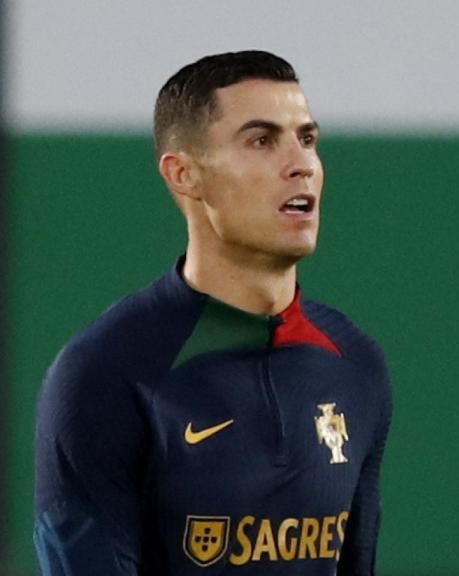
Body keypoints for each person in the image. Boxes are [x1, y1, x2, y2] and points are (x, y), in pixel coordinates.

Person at [33, 51, 392, 575]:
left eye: (307, 139)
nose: (301, 165)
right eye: (262, 140)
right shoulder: (105, 374)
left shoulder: (355, 364)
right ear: (184, 174)